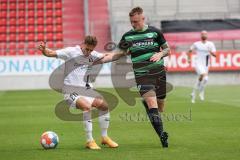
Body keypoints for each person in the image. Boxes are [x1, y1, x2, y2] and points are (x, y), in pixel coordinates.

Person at [95, 7, 170, 148]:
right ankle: (162, 136)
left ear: (143, 19)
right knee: (152, 103)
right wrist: (99, 60)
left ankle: (149, 108)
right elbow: (117, 54)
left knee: (160, 106)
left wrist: (160, 54)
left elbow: (167, 49)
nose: (133, 24)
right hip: (142, 76)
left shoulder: (155, 32)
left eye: (135, 21)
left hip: (158, 72)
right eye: (131, 22)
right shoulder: (127, 37)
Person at [38, 35, 118, 150]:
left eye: (91, 50)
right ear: (83, 44)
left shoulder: (93, 55)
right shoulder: (71, 52)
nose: (88, 52)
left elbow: (108, 57)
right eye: (87, 49)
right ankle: (89, 141)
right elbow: (51, 53)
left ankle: (104, 137)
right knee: (87, 106)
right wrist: (44, 50)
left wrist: (125, 53)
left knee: (104, 106)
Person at [187, 30, 216, 103]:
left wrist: (210, 52)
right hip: (198, 63)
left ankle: (195, 92)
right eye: (202, 34)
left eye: (205, 34)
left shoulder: (210, 44)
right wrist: (189, 59)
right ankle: (199, 91)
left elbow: (215, 55)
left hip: (206, 65)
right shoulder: (196, 44)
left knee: (205, 79)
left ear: (207, 36)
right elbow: (189, 51)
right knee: (202, 75)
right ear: (201, 36)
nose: (204, 35)